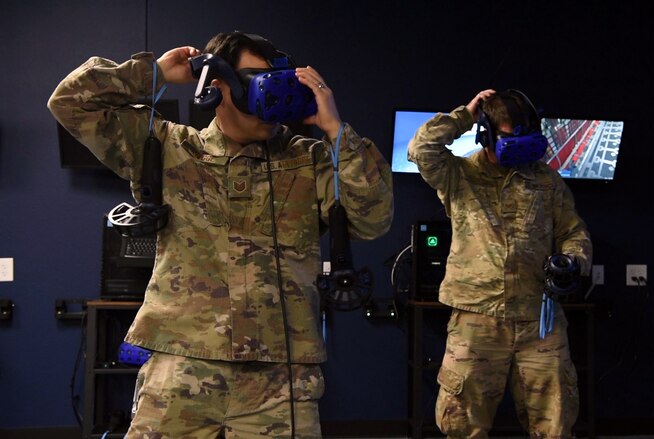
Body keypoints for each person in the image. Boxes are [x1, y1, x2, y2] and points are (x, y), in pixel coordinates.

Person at [48, 31, 393, 438]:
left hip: (279, 380)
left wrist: (338, 134)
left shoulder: (312, 161)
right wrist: (153, 75)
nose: (268, 95)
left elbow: (373, 220)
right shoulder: (171, 147)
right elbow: (71, 103)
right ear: (218, 84)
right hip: (181, 366)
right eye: (252, 80)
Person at [407, 89, 592, 439]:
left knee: (555, 421)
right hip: (477, 317)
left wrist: (574, 259)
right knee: (463, 425)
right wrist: (465, 114)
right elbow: (421, 149)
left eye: (527, 137)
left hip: (540, 317)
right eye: (509, 137)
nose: (520, 147)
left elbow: (573, 230)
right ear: (487, 134)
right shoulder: (458, 174)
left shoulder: (546, 180)